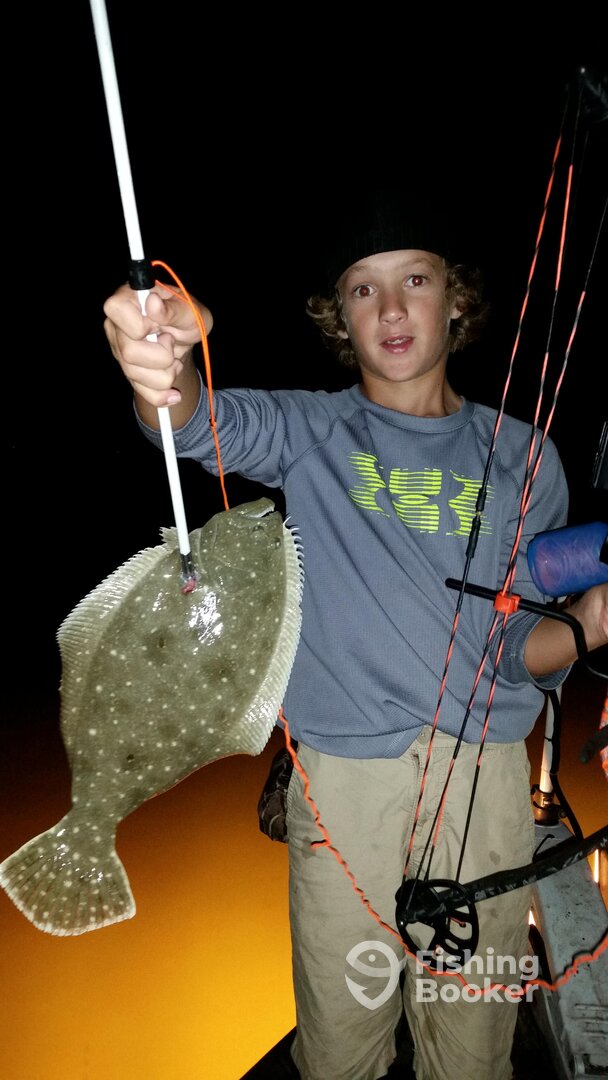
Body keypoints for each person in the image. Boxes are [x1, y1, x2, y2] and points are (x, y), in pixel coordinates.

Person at [103, 187, 608, 1080]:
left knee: (475, 1045)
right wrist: (164, 367)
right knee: (341, 1046)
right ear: (339, 316)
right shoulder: (314, 430)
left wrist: (592, 624)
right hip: (344, 786)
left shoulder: (529, 456)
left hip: (484, 788)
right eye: (363, 289)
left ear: (455, 296)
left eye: (414, 278)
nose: (392, 308)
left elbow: (520, 647)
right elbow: (194, 424)